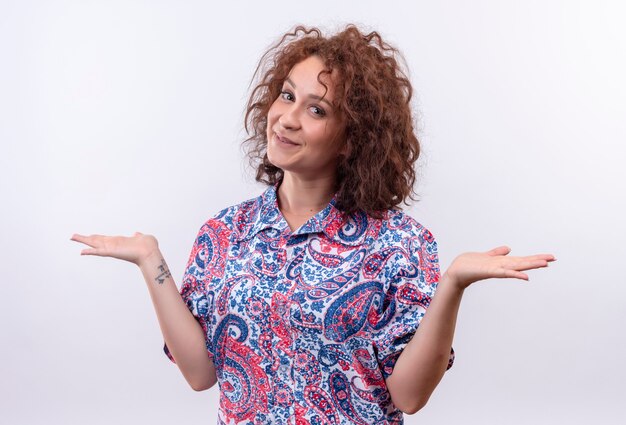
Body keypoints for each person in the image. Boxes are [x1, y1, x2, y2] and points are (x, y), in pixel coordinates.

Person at [71, 25, 555, 424]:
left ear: (352, 139)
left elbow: (408, 397)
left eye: (317, 109)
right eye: (286, 96)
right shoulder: (224, 233)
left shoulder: (400, 244)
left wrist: (452, 285)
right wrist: (151, 263)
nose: (287, 118)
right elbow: (200, 373)